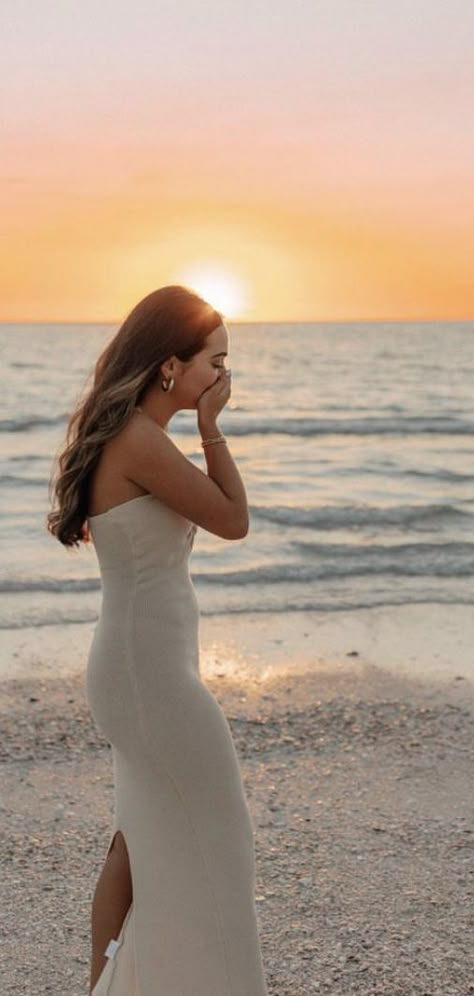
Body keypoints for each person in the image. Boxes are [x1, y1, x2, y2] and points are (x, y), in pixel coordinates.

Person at [48, 286, 268, 995]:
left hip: (139, 669)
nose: (223, 379)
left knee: (137, 843)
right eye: (216, 363)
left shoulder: (131, 436)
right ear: (171, 366)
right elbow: (233, 519)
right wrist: (212, 428)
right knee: (219, 831)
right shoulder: (140, 440)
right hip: (149, 679)